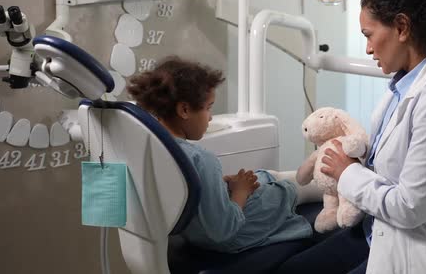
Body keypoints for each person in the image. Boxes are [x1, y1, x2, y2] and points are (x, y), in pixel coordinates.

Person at [278, 0, 426, 273]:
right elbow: (389, 165)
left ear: (402, 27)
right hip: (380, 230)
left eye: (369, 35)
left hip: (422, 245)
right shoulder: (401, 87)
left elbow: (409, 208)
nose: (368, 49)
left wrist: (346, 171)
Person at [126, 56, 313, 254]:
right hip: (226, 239)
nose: (211, 116)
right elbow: (223, 231)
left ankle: (297, 175)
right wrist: (240, 192)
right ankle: (325, 185)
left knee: (260, 177)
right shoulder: (201, 159)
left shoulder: (151, 148)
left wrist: (219, 186)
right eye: (208, 107)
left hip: (192, 233)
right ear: (184, 109)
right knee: (279, 191)